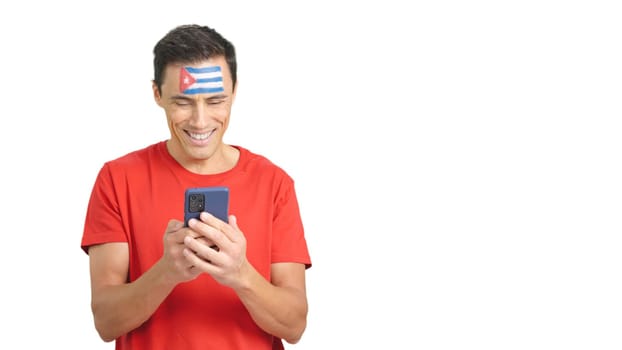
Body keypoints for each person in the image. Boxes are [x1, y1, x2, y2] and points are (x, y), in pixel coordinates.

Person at [80, 24, 312, 350]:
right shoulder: (117, 180)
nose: (200, 122)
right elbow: (106, 321)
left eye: (216, 100)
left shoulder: (275, 184)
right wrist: (167, 272)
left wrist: (240, 274)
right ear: (157, 94)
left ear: (234, 91)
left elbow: (294, 325)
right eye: (183, 102)